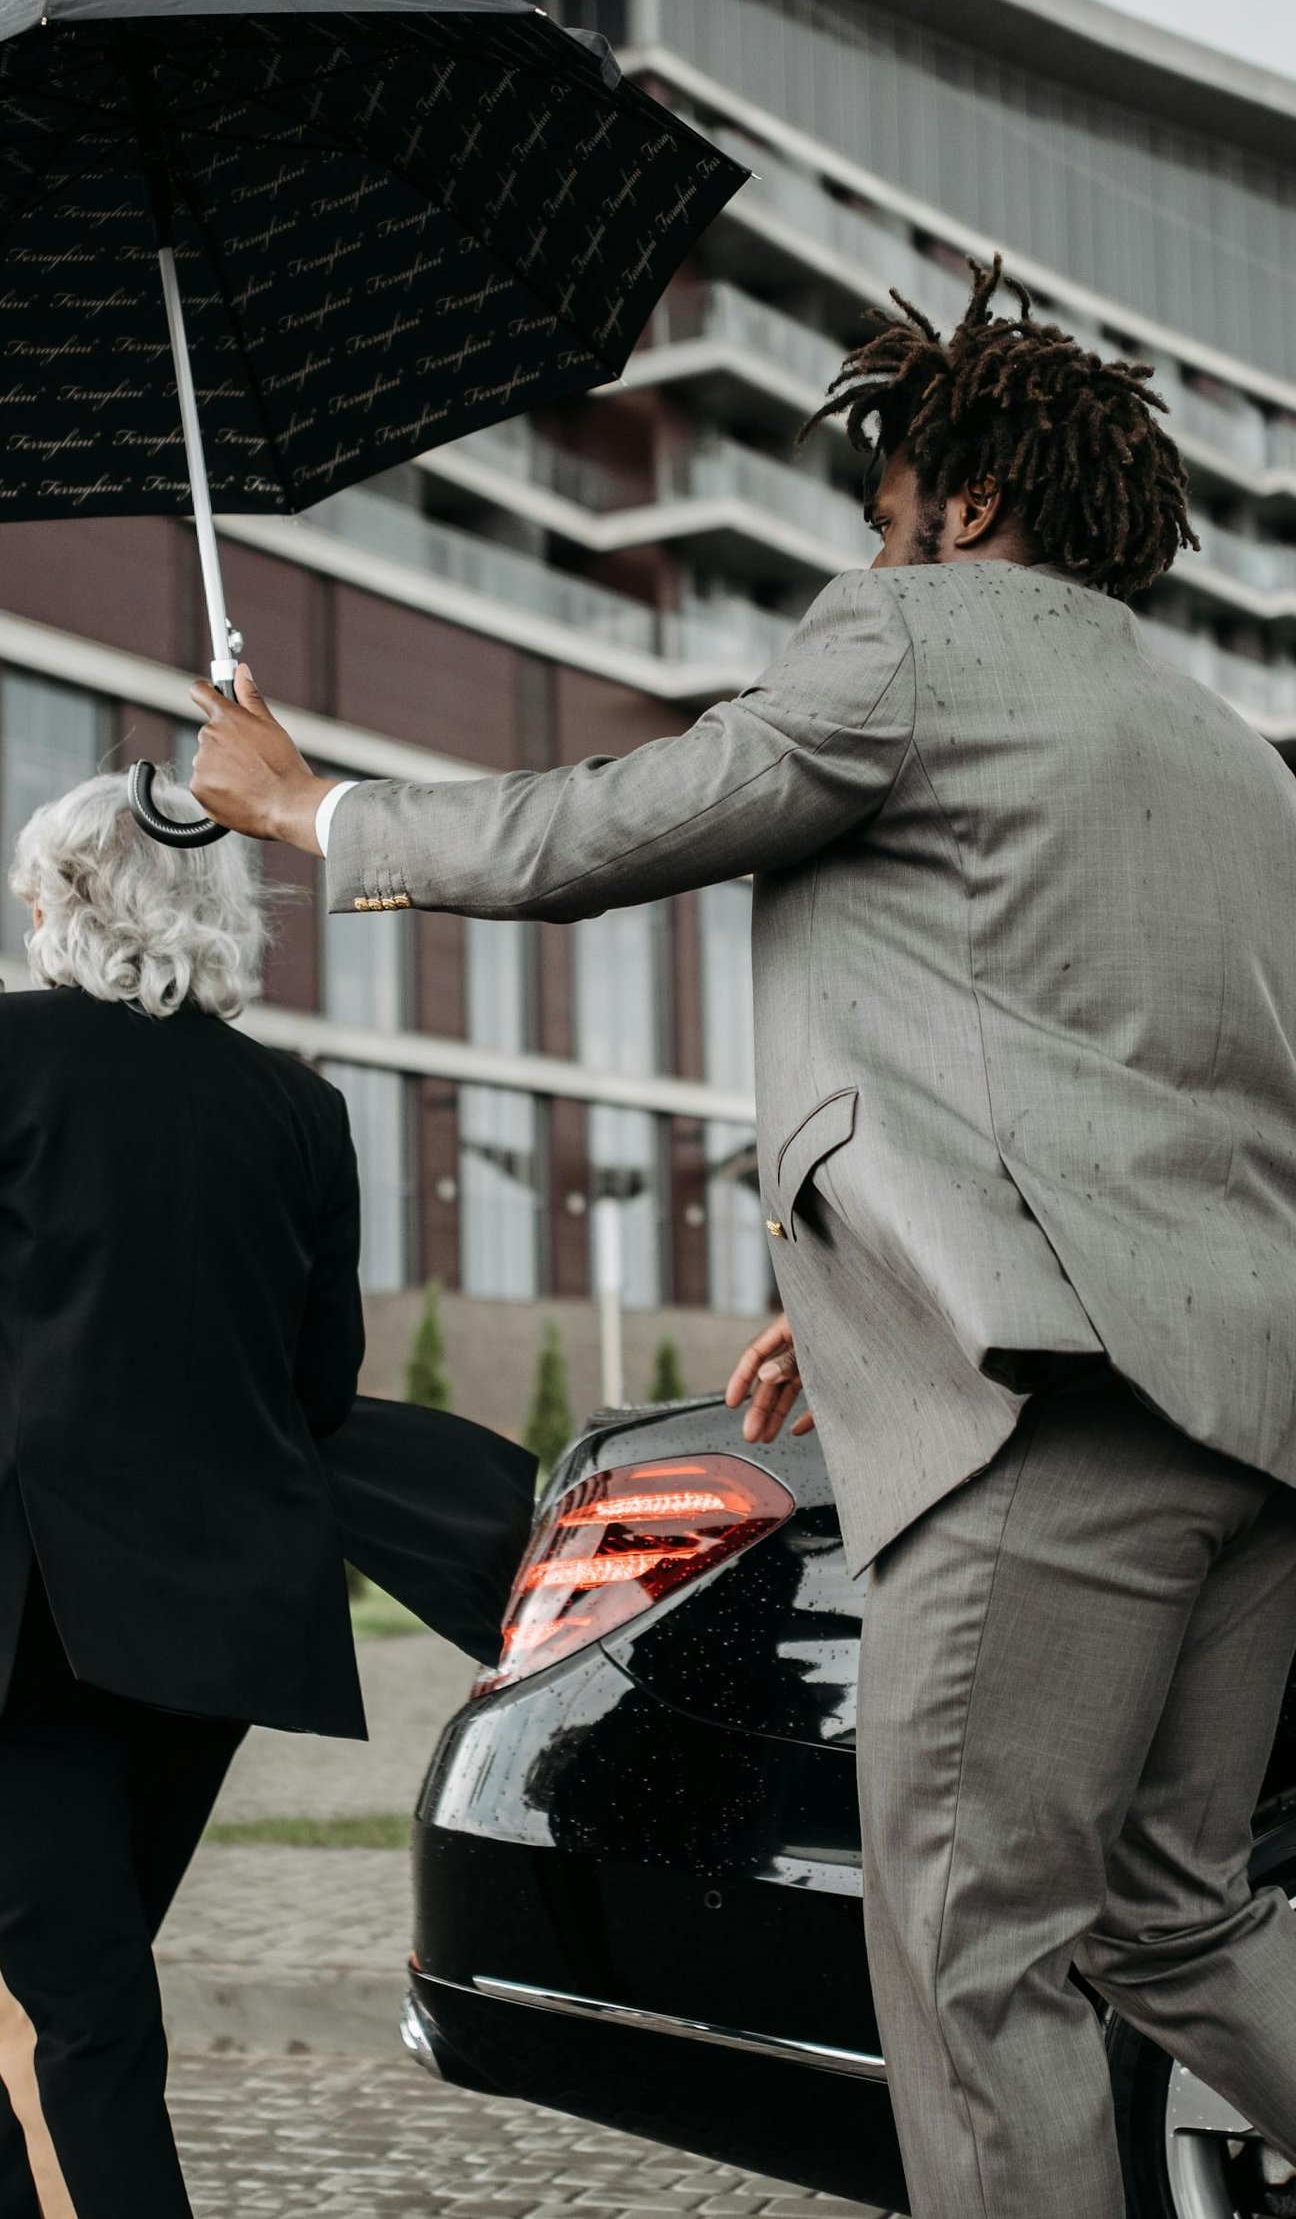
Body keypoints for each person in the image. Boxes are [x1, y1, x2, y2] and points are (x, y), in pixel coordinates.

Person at [185, 258, 1296, 2219]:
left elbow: (614, 821)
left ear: (961, 502)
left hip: (1053, 1428)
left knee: (966, 1945)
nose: (866, 546)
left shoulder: (908, 641)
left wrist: (312, 809)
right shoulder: (1233, 757)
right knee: (1171, 1911)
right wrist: (865, 1273)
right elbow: (1134, 1089)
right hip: (1255, 1423)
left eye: (883, 506)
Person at [0, 773, 366, 2219]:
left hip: (17, 1624)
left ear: (68, 901)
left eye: (33, 884)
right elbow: (320, 1389)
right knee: (66, 2010)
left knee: (70, 2027)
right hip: (216, 1630)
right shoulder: (303, 1112)